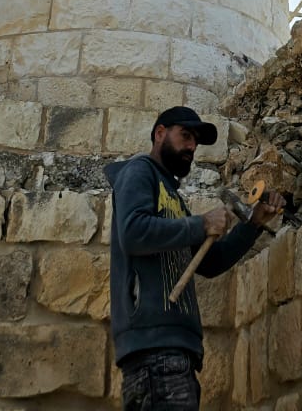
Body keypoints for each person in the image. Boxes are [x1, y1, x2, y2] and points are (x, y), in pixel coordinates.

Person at [106, 105, 284, 410]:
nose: (191, 147)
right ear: (160, 133)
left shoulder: (172, 197)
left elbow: (211, 262)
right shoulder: (138, 172)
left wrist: (253, 223)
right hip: (154, 351)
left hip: (176, 354)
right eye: (185, 136)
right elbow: (133, 232)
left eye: (195, 142)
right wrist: (200, 224)